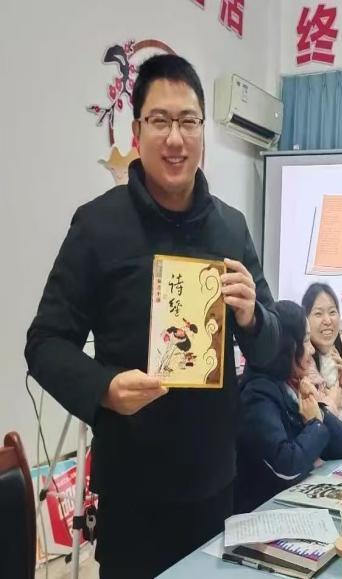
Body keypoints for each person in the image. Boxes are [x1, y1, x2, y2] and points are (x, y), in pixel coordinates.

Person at [24, 54, 280, 579]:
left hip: (214, 484)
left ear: (202, 132)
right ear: (137, 132)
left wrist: (253, 317)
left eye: (188, 121)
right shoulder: (98, 226)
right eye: (160, 121)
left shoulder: (231, 229)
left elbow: (272, 345)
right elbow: (45, 342)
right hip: (132, 493)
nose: (175, 138)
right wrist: (104, 388)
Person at [236, 301, 342, 513]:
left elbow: (341, 447)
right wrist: (315, 424)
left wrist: (318, 410)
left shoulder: (293, 383)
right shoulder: (258, 394)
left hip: (292, 504)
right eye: (305, 340)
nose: (312, 349)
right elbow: (286, 467)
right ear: (286, 346)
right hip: (263, 514)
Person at [302, 283, 342, 438]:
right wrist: (332, 402)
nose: (328, 320)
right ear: (305, 320)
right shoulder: (302, 369)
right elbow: (315, 431)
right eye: (318, 314)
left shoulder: (337, 359)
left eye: (332, 312)